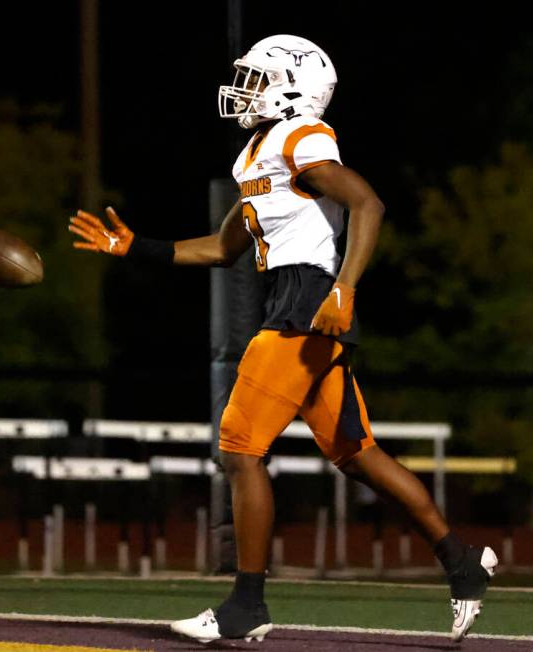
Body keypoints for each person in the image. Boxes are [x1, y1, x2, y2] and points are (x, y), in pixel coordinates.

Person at [69, 33, 496, 644]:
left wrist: (344, 290)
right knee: (357, 454)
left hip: (308, 303)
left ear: (294, 90)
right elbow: (223, 248)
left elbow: (368, 204)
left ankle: (247, 604)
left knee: (240, 449)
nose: (243, 89)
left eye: (256, 78)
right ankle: (462, 561)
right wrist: (138, 247)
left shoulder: (303, 138)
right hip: (302, 305)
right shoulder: (257, 154)